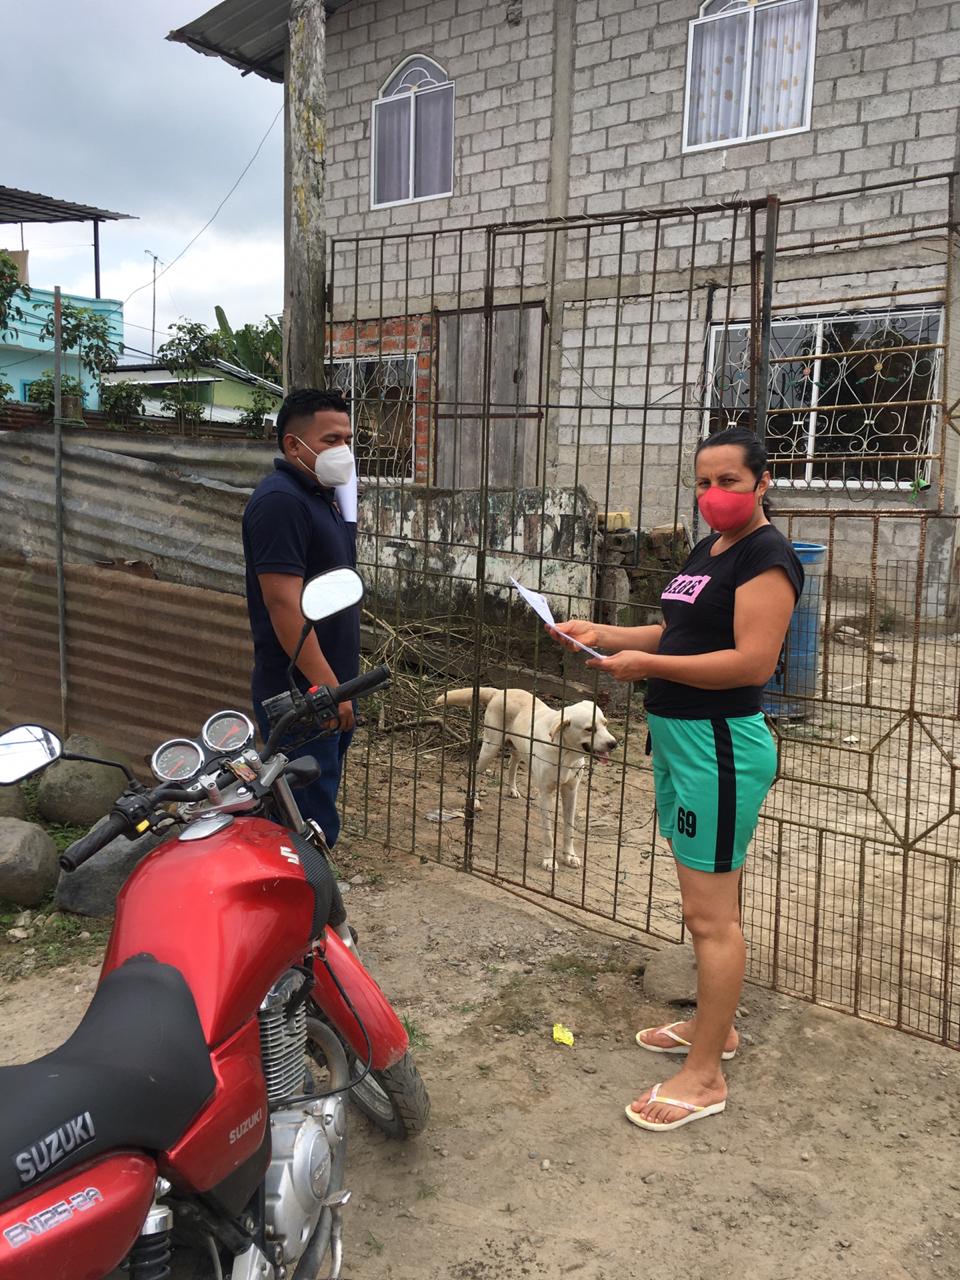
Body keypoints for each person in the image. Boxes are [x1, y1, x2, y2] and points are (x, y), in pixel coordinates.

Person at [550, 427, 803, 1132]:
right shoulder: (710, 549)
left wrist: (647, 669)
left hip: (718, 746)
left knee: (710, 917)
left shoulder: (767, 557)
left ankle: (705, 1074)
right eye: (703, 482)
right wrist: (607, 635)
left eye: (729, 481)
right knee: (704, 903)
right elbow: (681, 634)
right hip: (682, 740)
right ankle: (713, 1029)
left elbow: (751, 663)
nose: (713, 495)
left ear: (763, 482)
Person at [242, 387, 360, 848]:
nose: (343, 450)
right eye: (331, 440)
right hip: (301, 694)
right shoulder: (280, 502)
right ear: (294, 445)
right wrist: (328, 688)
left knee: (315, 806)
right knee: (305, 825)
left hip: (326, 686)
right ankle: (304, 890)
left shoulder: (321, 496)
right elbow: (284, 605)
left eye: (347, 439)